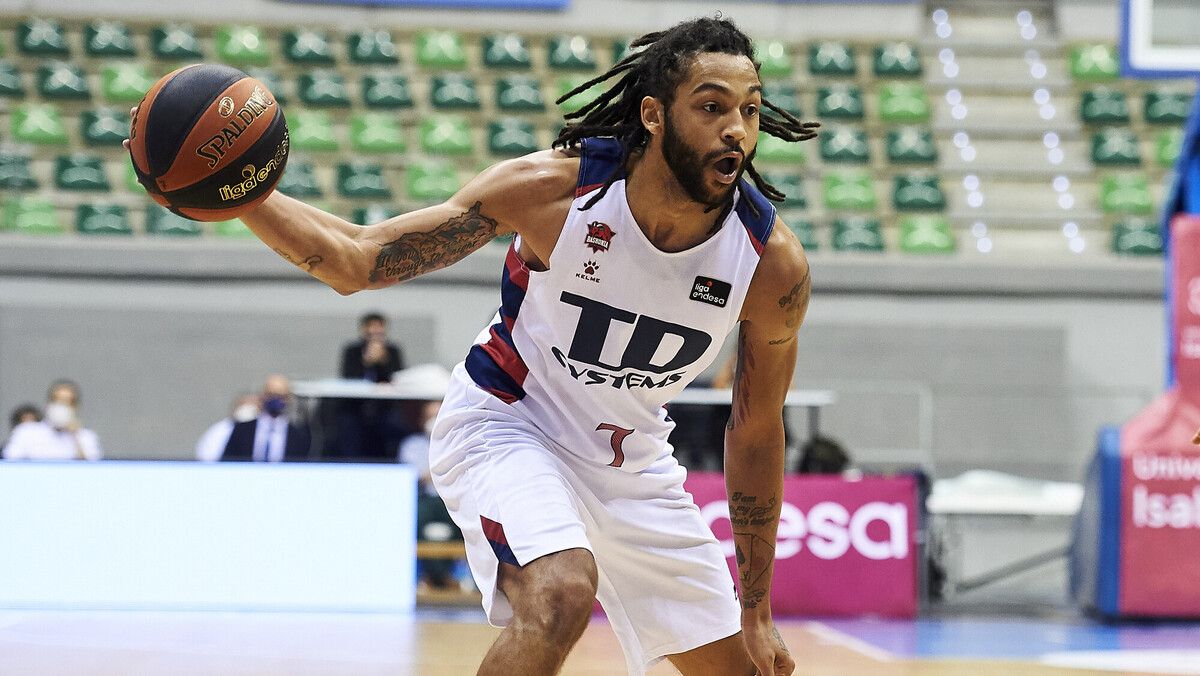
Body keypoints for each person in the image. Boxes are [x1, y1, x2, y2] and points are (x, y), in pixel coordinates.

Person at [127, 16, 814, 675]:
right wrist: (235, 190)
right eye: (712, 106)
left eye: (751, 110)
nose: (736, 128)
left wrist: (757, 609)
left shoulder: (769, 265)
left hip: (633, 463)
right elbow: (357, 261)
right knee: (560, 595)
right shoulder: (555, 193)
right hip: (508, 425)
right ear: (654, 115)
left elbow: (754, 432)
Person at [334, 312, 407, 460]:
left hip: (385, 408)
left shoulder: (393, 351)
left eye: (379, 328)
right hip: (356, 407)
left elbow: (399, 378)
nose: (375, 333)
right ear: (363, 329)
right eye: (371, 328)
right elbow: (348, 377)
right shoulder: (352, 351)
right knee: (347, 425)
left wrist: (383, 362)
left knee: (395, 423)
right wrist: (366, 361)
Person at [2, 380, 102, 461]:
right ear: (48, 404)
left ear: (75, 407)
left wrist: (75, 437)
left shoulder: (86, 437)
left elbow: (93, 470)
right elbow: (9, 463)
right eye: (57, 400)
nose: (61, 406)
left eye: (67, 402)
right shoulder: (26, 432)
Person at [220, 375, 312, 462]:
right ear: (262, 396)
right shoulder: (242, 430)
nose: (275, 399)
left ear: (288, 399)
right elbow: (228, 460)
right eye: (271, 394)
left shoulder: (297, 436)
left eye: (281, 396)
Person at [195, 393, 260, 462]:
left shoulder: (263, 432)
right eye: (245, 405)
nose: (248, 409)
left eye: (252, 405)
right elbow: (205, 455)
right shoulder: (219, 430)